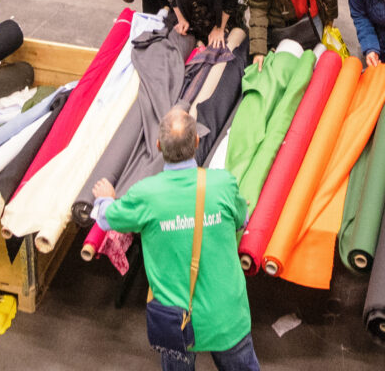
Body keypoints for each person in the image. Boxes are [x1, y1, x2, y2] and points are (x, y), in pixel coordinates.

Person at [89, 107, 260, 371]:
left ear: (158, 146)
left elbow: (106, 218)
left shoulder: (146, 195)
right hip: (227, 317)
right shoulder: (223, 184)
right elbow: (242, 219)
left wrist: (105, 198)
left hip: (175, 321)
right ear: (197, 142)